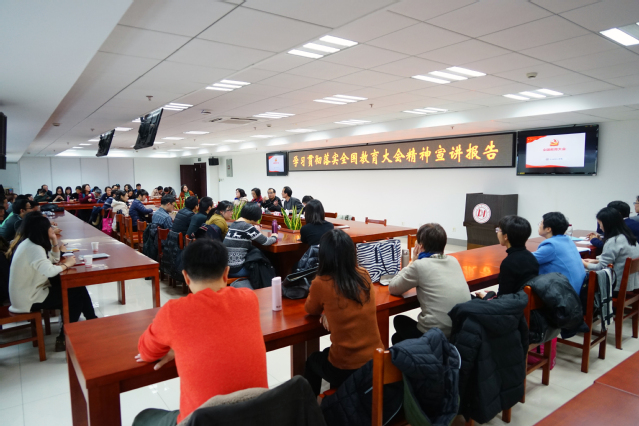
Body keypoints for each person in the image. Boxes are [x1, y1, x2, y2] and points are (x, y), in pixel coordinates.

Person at [133, 239, 267, 426]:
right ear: (226, 273)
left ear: (186, 277)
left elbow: (147, 353)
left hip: (200, 421)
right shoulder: (249, 298)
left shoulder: (173, 312)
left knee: (144, 418)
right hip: (257, 416)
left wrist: (177, 346)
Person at [303, 229, 383, 396]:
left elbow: (310, 309)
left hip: (346, 367)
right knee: (329, 354)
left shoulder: (321, 282)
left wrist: (326, 311)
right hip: (375, 361)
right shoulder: (364, 275)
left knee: (312, 361)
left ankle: (311, 409)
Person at [8, 212, 97, 351]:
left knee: (75, 286)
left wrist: (54, 240)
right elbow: (49, 270)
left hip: (28, 292)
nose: (52, 228)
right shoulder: (34, 248)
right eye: (50, 227)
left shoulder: (29, 243)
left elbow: (53, 259)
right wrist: (67, 264)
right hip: (28, 299)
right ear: (42, 230)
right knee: (75, 296)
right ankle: (64, 337)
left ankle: (91, 319)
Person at [389, 223, 471, 343]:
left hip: (435, 334)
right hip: (460, 330)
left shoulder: (420, 265)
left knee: (399, 320)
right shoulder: (454, 260)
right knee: (397, 338)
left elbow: (393, 287)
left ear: (420, 246)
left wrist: (412, 262)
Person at [477, 216, 539, 299]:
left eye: (498, 230)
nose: (497, 233)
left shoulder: (509, 263)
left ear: (506, 236)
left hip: (513, 304)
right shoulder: (531, 257)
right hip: (525, 301)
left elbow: (502, 299)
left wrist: (486, 297)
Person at [584, 207, 639, 293]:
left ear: (607, 224)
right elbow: (620, 260)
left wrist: (582, 262)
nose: (600, 228)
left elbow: (600, 268)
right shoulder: (629, 237)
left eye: (600, 224)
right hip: (632, 284)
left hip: (615, 287)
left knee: (582, 278)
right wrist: (596, 261)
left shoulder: (613, 241)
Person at [532, 212, 586, 295]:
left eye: (541, 223)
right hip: (577, 290)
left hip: (565, 294)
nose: (539, 225)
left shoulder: (551, 245)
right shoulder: (567, 239)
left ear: (548, 229)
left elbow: (528, 260)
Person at [224, 203, 277, 277]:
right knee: (264, 268)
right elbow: (266, 241)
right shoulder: (246, 226)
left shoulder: (234, 223)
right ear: (254, 216)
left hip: (226, 268)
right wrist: (274, 236)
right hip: (237, 269)